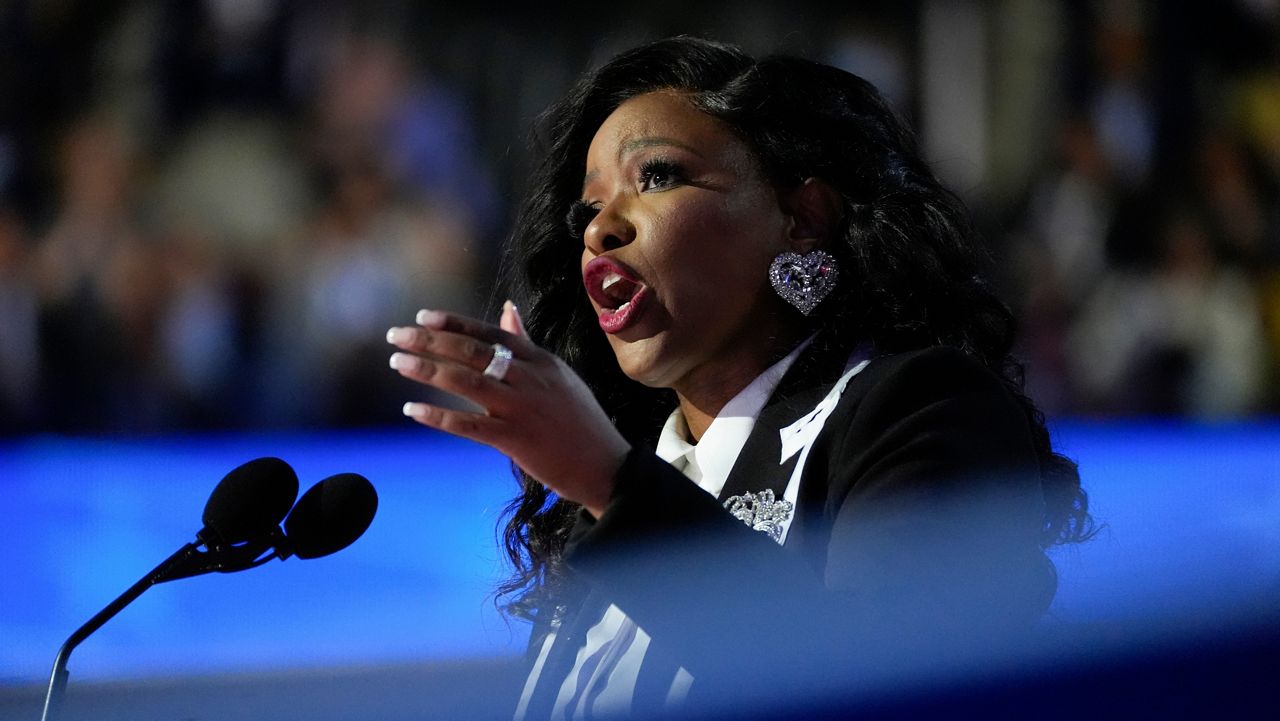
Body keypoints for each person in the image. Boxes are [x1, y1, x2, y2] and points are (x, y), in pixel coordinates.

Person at [386, 37, 1092, 720]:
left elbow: (883, 684)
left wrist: (612, 482)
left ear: (802, 218)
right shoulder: (622, 493)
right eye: (587, 207)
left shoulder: (919, 409)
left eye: (657, 175)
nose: (600, 229)